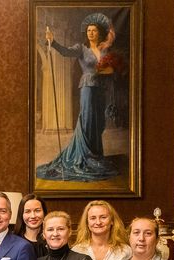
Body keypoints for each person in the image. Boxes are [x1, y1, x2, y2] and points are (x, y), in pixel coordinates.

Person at [37, 13, 119, 182]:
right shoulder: (81, 48)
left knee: (99, 122)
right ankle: (85, 155)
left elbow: (111, 69)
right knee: (87, 120)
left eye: (94, 30)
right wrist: (53, 41)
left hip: (101, 89)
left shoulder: (104, 50)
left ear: (98, 33)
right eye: (88, 30)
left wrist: (107, 70)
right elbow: (66, 52)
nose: (90, 33)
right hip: (87, 88)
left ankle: (95, 154)